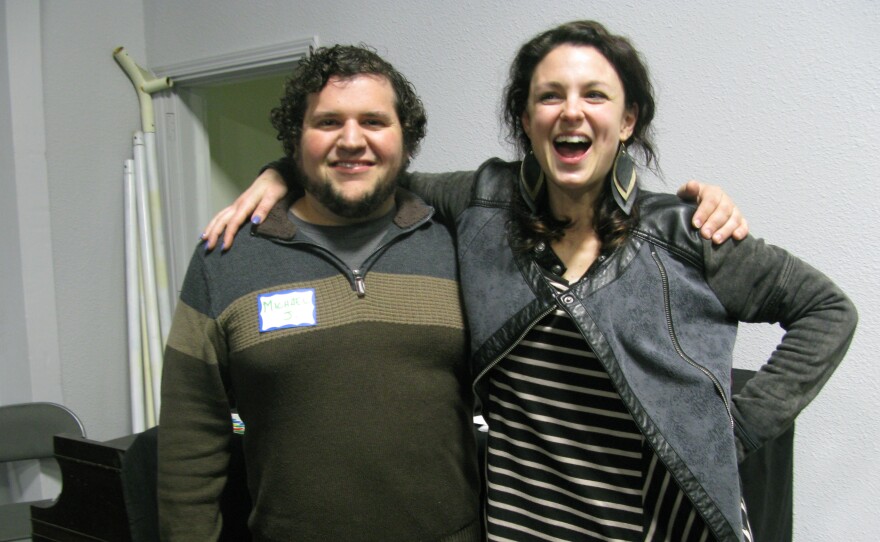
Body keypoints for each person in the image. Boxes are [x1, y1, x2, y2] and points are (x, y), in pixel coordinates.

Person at [204, 21, 857, 542]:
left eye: (595, 95)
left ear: (627, 120)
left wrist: (734, 429)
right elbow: (366, 171)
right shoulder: (482, 201)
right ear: (525, 118)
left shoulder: (686, 231)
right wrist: (282, 173)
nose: (571, 112)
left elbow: (828, 311)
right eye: (550, 96)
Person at [158, 45, 482, 542]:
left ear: (406, 139)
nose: (352, 140)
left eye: (374, 121)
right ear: (296, 139)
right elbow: (189, 441)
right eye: (328, 123)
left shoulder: (456, 242)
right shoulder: (226, 257)